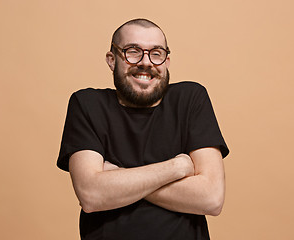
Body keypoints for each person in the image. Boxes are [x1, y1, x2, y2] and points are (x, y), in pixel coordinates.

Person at [57, 18, 229, 240]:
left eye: (156, 53)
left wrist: (116, 177)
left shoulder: (190, 99)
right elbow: (91, 195)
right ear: (111, 60)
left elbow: (211, 198)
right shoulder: (87, 104)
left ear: (167, 61)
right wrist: (176, 167)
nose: (146, 62)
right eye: (133, 51)